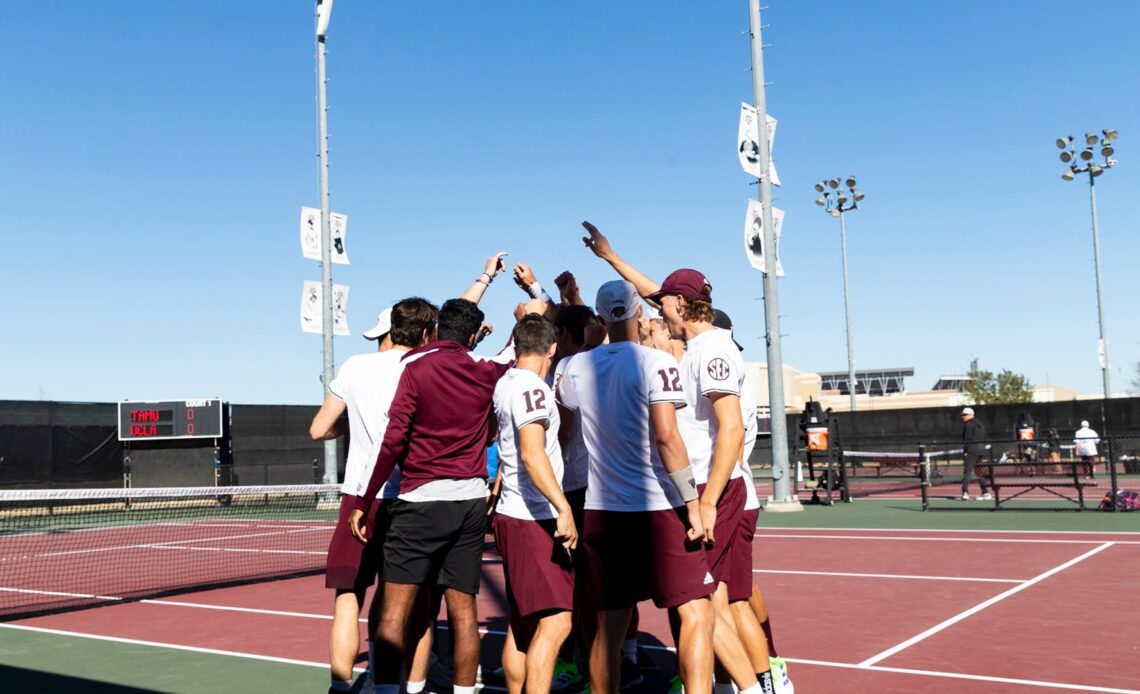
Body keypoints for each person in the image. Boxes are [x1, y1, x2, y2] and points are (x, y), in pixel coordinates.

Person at [583, 222, 772, 694]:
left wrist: (705, 501)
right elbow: (654, 294)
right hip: (704, 487)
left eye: (665, 302)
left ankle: (759, 686)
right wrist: (610, 256)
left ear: (684, 307)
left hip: (714, 488)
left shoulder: (712, 352)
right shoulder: (695, 343)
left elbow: (732, 427)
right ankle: (738, 686)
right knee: (717, 600)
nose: (656, 306)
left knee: (702, 603)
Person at [557, 280, 715, 694]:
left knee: (608, 626)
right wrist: (693, 503)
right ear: (638, 313)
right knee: (696, 613)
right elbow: (667, 436)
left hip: (603, 509)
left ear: (601, 316)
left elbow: (566, 425)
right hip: (657, 505)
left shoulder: (574, 367)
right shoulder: (655, 363)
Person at [350, 297, 512, 694]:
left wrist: (364, 500)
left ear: (436, 330)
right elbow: (514, 351)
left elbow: (393, 440)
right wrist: (537, 297)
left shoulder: (414, 367)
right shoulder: (486, 369)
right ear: (473, 336)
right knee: (463, 612)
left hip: (419, 502)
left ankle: (388, 689)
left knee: (395, 609)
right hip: (471, 504)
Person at [308, 298, 439, 694]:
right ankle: (403, 685)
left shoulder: (354, 366)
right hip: (411, 497)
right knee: (409, 603)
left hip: (359, 496)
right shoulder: (427, 368)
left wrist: (355, 430)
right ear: (424, 333)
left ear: (389, 331)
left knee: (348, 596)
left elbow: (319, 429)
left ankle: (341, 685)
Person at [492, 314, 578, 693]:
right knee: (558, 621)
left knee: (524, 622)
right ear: (552, 349)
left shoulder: (505, 383)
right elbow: (531, 453)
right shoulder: (533, 390)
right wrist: (563, 507)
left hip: (514, 513)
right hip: (533, 516)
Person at [960, 407, 992, 501]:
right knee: (979, 472)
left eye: (964, 415)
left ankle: (965, 492)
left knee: (967, 471)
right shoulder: (980, 425)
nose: (963, 417)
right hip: (981, 450)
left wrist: (966, 451)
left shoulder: (968, 425)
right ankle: (985, 492)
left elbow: (966, 439)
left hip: (972, 450)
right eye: (962, 415)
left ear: (970, 415)